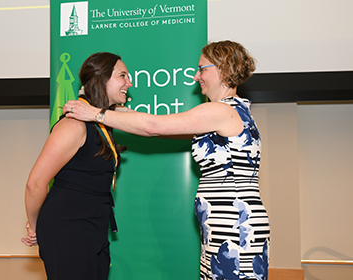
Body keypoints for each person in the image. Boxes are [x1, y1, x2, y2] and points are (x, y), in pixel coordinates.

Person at [63, 41, 270, 280]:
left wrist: (95, 114)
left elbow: (154, 127)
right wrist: (101, 106)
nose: (196, 76)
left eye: (202, 69)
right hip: (223, 225)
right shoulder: (227, 112)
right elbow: (156, 122)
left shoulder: (221, 111)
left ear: (223, 69)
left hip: (234, 227)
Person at [21, 52, 132, 280]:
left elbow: (144, 123)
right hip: (68, 227)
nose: (129, 83)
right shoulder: (73, 125)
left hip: (94, 225)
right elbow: (35, 183)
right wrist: (34, 226)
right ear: (101, 79)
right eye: (123, 75)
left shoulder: (101, 121)